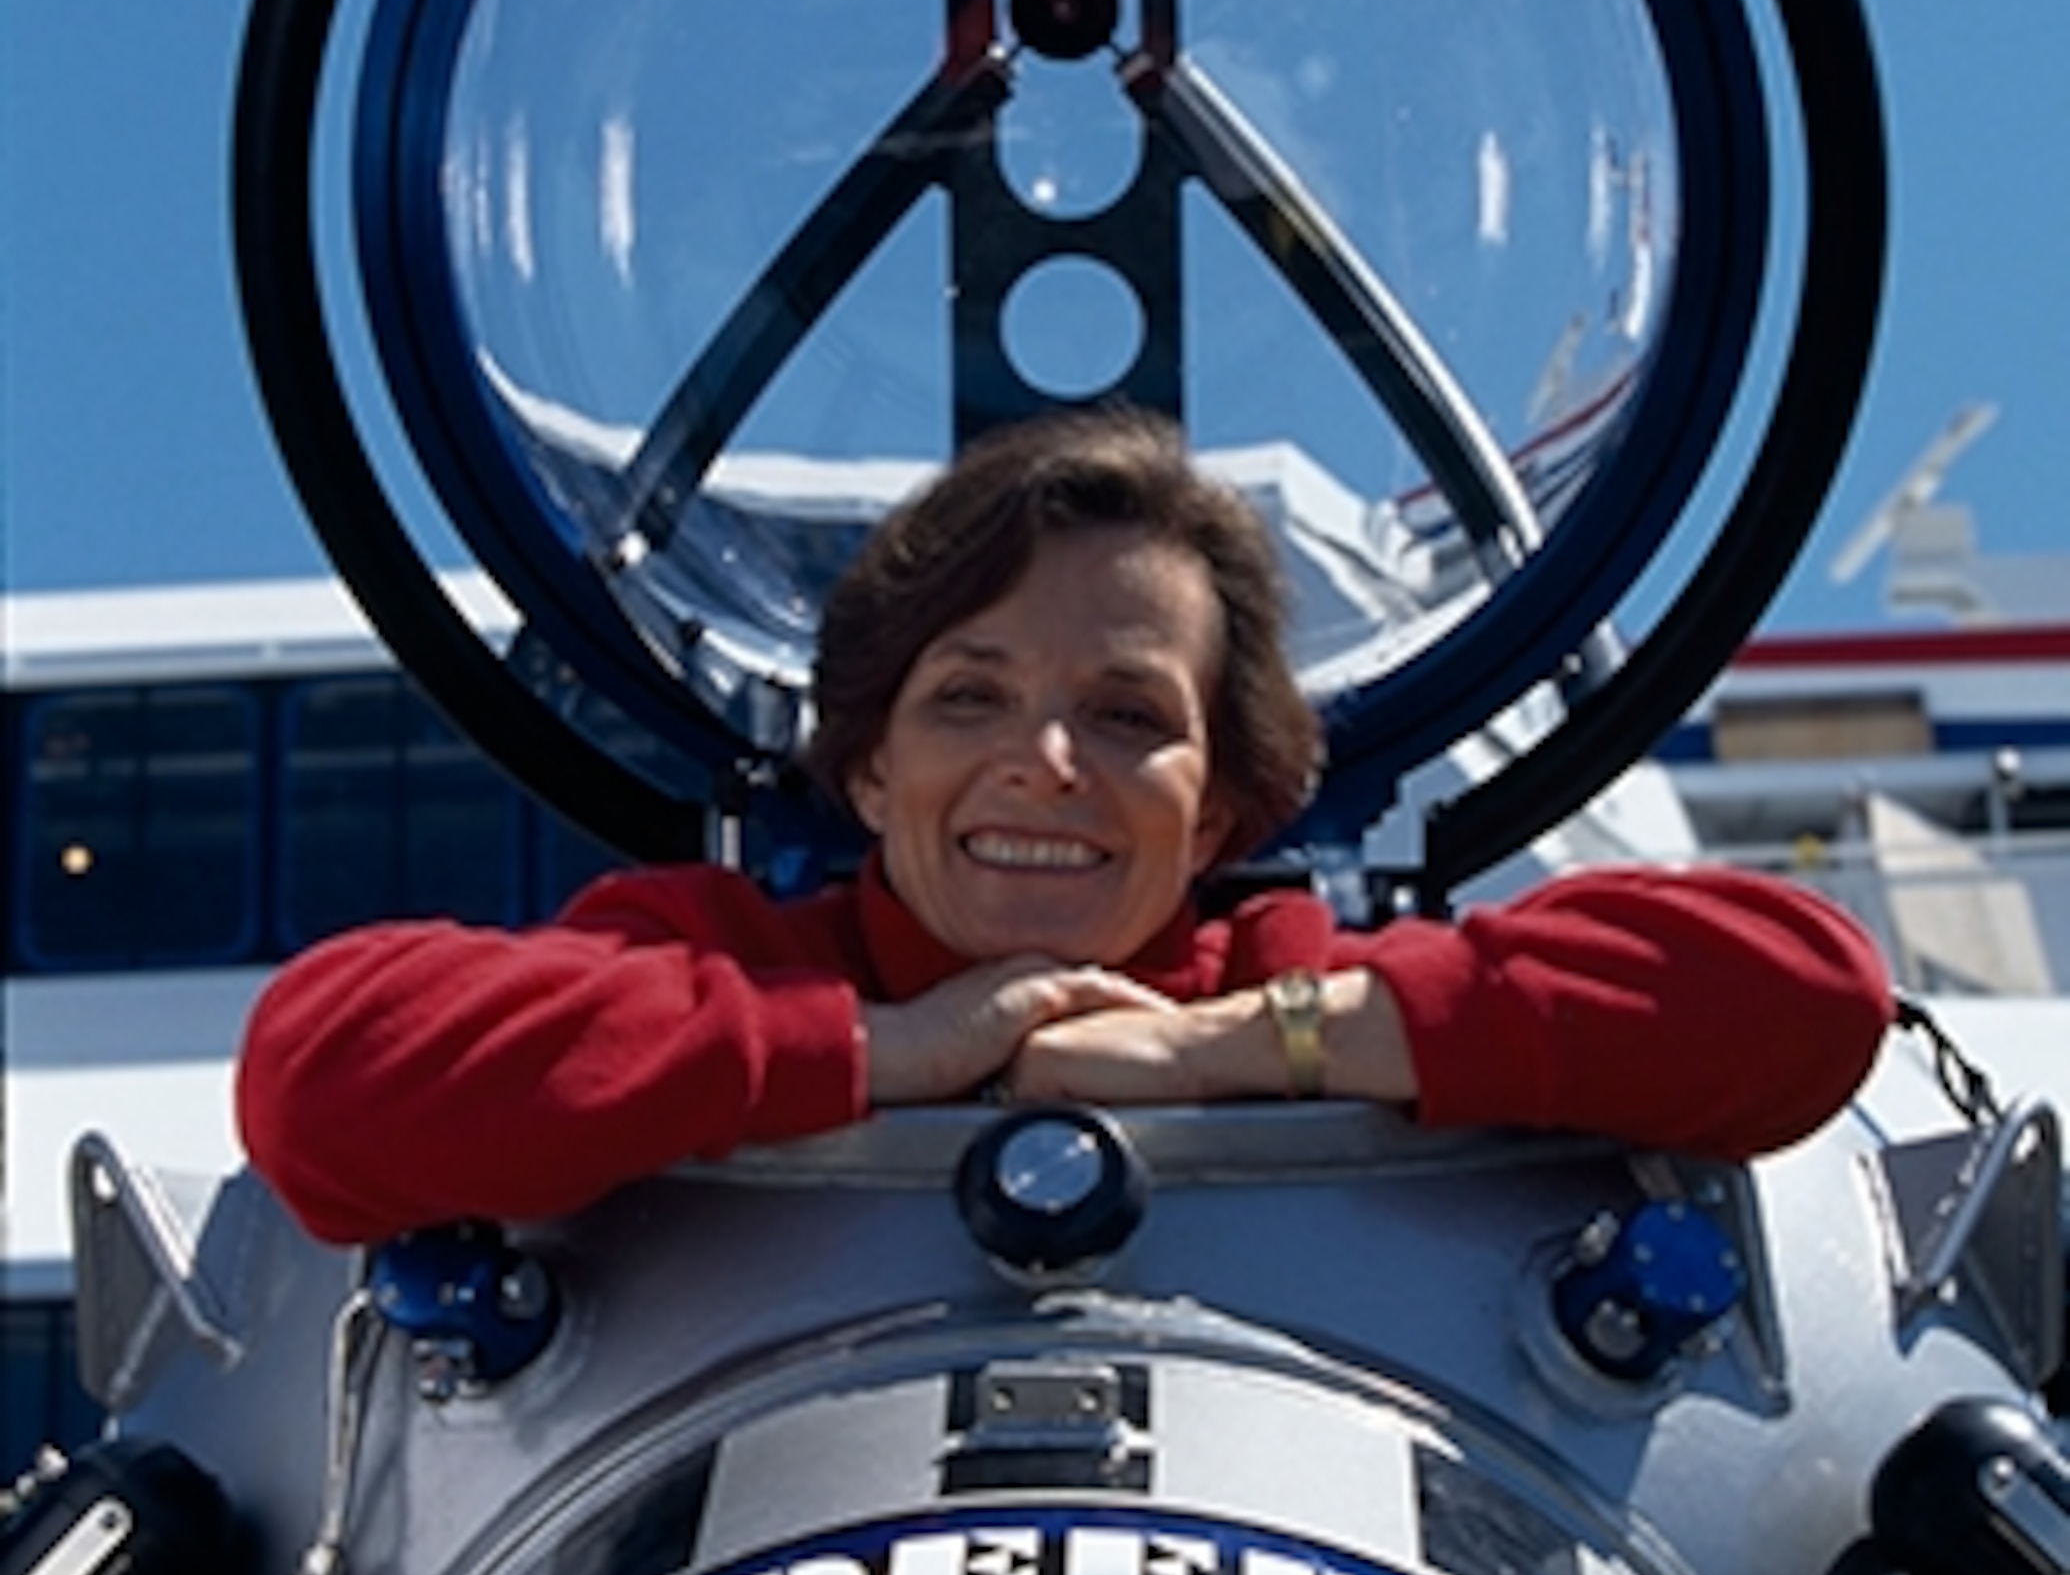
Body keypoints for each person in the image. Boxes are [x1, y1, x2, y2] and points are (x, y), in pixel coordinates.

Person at [237, 409, 1894, 1246]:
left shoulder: (1301, 974)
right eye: (968, 697)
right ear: (866, 771)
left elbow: (1803, 998)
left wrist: (1236, 1049)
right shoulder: (721, 960)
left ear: (1220, 804)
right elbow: (325, 1082)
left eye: (1127, 716)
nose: (1045, 763)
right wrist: (884, 1052)